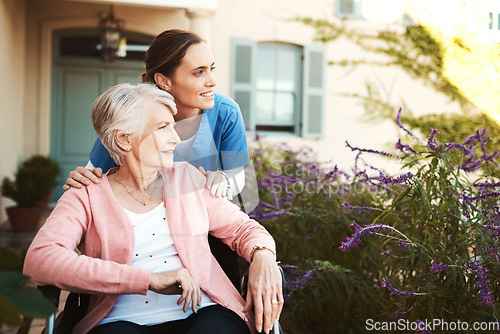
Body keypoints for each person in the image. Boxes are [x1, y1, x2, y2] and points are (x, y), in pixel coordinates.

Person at [23, 83, 283, 334]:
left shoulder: (187, 178)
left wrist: (263, 256)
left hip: (205, 311)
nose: (175, 138)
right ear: (125, 139)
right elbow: (41, 260)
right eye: (163, 127)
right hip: (119, 320)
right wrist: (146, 279)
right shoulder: (86, 193)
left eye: (174, 125)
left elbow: (244, 229)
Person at [65, 29, 249, 199]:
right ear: (163, 80)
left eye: (211, 68)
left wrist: (224, 179)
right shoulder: (131, 113)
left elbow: (237, 175)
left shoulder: (227, 112)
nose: (212, 81)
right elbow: (94, 172)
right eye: (199, 72)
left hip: (202, 221)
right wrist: (82, 179)